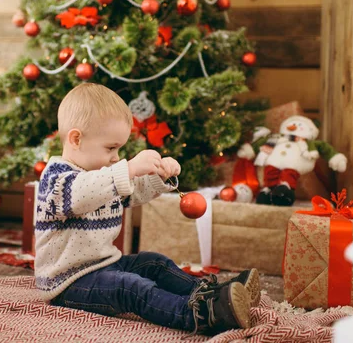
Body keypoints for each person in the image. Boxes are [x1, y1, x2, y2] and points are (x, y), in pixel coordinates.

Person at [34, 83, 260, 334]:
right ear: (76, 139)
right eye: (111, 148)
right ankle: (196, 315)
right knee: (129, 287)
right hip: (68, 282)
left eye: (118, 150)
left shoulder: (103, 175)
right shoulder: (56, 179)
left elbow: (133, 192)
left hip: (105, 264)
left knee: (153, 263)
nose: (115, 158)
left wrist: (159, 177)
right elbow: (81, 194)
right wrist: (127, 169)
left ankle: (212, 295)